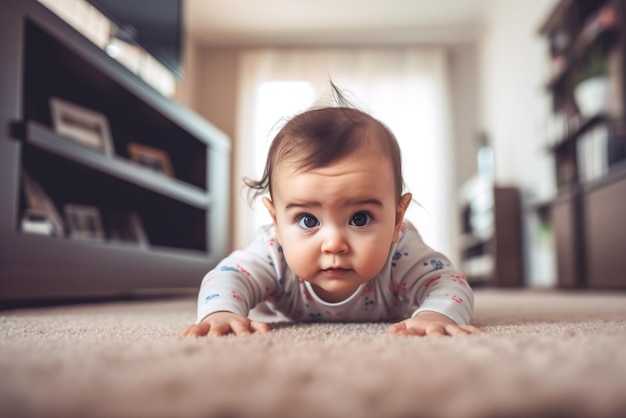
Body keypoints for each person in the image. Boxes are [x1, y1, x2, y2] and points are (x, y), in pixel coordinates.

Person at [181, 86, 482, 337]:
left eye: (359, 218)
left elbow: (448, 283)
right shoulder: (272, 251)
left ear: (396, 221)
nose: (334, 243)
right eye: (308, 220)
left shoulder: (401, 251)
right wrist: (222, 311)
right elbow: (228, 277)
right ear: (276, 223)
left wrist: (435, 314)